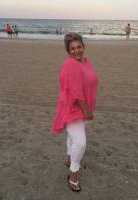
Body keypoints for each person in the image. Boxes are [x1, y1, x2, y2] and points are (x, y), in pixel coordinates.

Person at [52, 33, 98, 192]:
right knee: (81, 142)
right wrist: (86, 110)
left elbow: (89, 83)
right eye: (72, 48)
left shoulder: (87, 62)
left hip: (84, 107)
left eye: (79, 47)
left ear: (84, 46)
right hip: (73, 108)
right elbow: (76, 91)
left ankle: (69, 158)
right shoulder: (70, 65)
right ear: (68, 51)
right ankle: (73, 174)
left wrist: (88, 107)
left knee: (73, 137)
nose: (76, 51)